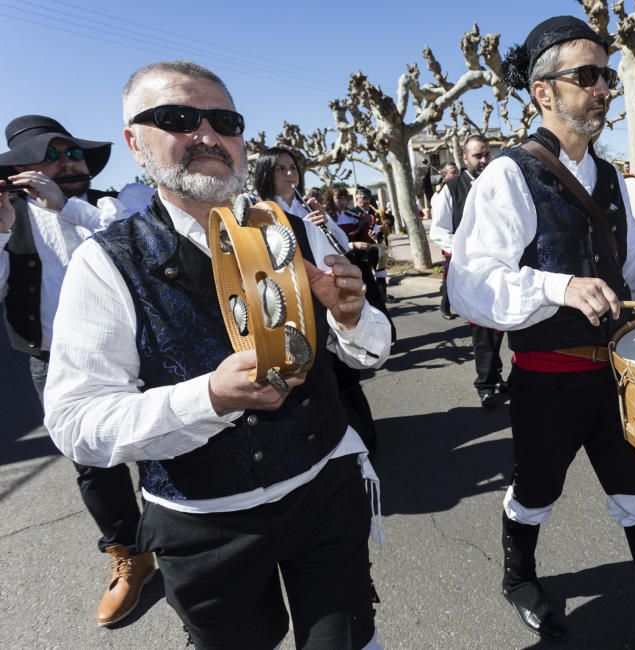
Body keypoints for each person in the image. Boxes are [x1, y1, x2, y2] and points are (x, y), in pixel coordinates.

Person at [43, 61, 391, 649]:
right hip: (205, 526)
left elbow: (368, 352)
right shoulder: (106, 262)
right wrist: (206, 398)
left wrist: (350, 315)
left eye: (224, 121)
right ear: (135, 141)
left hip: (325, 492)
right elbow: (76, 422)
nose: (207, 135)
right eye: (177, 118)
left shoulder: (286, 223)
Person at [448, 16, 635, 648]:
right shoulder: (507, 175)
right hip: (546, 382)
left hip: (617, 377)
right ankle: (518, 577)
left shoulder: (611, 180)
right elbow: (468, 285)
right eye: (588, 76)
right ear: (544, 92)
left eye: (607, 75)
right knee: (535, 492)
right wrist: (558, 285)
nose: (604, 88)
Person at [0, 115, 153, 627]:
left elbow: (141, 245)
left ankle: (186, 533)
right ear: (20, 169)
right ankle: (131, 553)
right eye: (53, 154)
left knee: (166, 439)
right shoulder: (9, 219)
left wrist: (68, 208)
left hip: (137, 350)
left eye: (74, 153)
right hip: (52, 359)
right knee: (92, 461)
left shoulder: (113, 203)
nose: (68, 162)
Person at [253, 147, 387, 451]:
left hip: (330, 291)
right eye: (281, 169)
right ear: (266, 174)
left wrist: (323, 221)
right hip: (297, 300)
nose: (290, 175)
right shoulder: (262, 212)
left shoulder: (308, 208)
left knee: (343, 375)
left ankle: (360, 438)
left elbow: (341, 246)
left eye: (293, 168)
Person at [430, 136, 507, 407]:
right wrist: (468, 250)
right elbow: (438, 231)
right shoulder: (451, 190)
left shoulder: (501, 185)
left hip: (503, 266)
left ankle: (497, 375)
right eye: (478, 156)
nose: (484, 160)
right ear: (465, 158)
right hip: (472, 270)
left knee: (504, 323)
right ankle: (485, 384)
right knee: (483, 328)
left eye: (487, 154)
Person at [429, 161, 461, 320]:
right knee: (450, 277)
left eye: (457, 172)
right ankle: (444, 306)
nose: (457, 175)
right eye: (453, 172)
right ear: (444, 176)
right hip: (452, 242)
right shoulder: (440, 195)